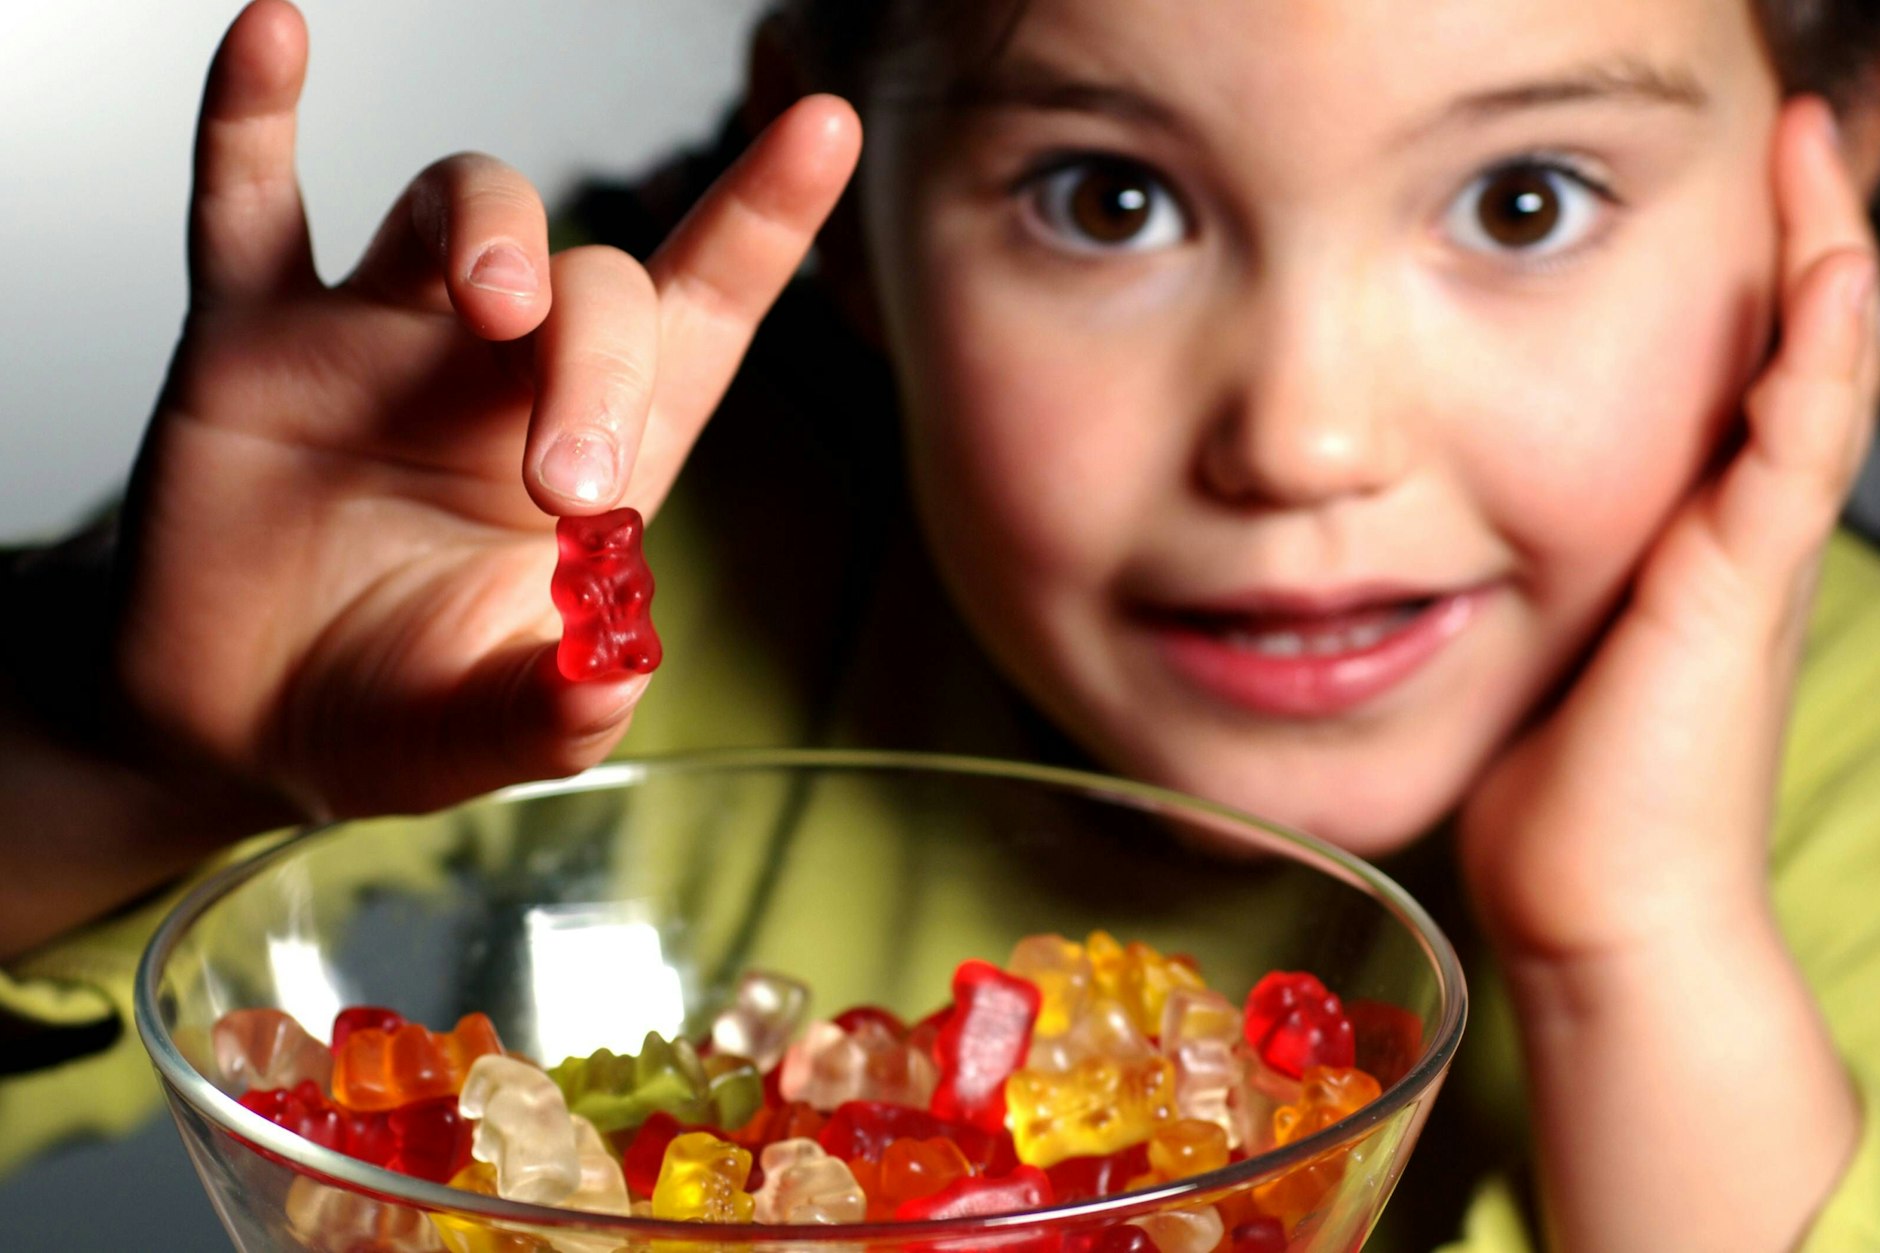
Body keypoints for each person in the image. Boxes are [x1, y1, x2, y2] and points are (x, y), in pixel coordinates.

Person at [4, 0, 1880, 1246]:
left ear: (1836, 168)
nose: (1307, 436)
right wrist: (132, 750)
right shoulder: (637, 554)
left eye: (1525, 198)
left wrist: (1637, 941)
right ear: (859, 221)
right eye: (1108, 197)